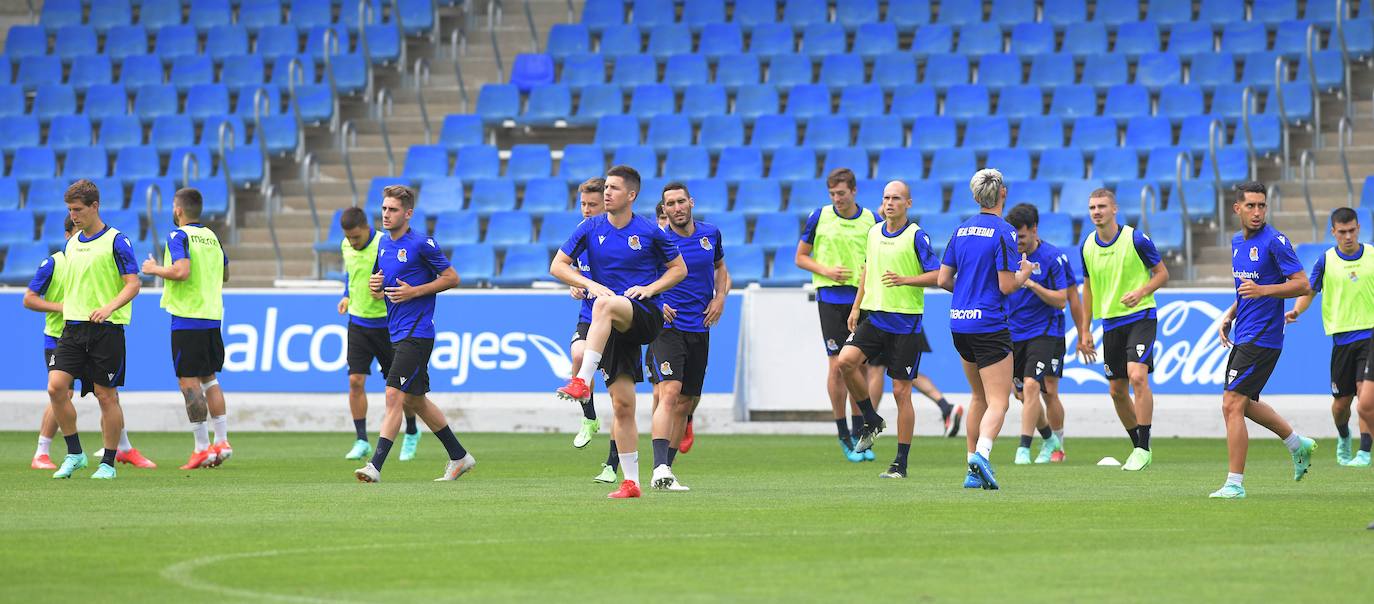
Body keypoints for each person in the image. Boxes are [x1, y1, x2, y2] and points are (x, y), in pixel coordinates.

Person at [551, 165, 687, 499]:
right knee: (623, 405)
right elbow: (557, 265)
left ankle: (582, 380)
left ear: (631, 195)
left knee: (604, 305)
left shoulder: (650, 231)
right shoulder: (590, 227)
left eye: (613, 188)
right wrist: (588, 283)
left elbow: (679, 269)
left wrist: (651, 288)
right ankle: (631, 482)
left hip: (644, 314)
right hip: (610, 325)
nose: (606, 193)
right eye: (606, 187)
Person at [353, 185, 476, 483]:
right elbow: (379, 282)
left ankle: (375, 466)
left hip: (417, 333)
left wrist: (415, 291)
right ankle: (459, 456)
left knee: (393, 394)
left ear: (408, 214)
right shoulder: (383, 244)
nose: (386, 214)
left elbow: (452, 277)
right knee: (415, 401)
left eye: (393, 209)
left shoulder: (422, 244)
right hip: (395, 332)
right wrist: (375, 286)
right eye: (384, 208)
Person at [1210, 182, 1316, 499]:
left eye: (1262, 206)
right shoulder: (1236, 242)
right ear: (1237, 208)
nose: (1257, 212)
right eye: (1251, 206)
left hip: (1264, 336)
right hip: (1245, 331)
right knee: (1243, 404)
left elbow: (1303, 284)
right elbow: (1246, 289)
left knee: (1231, 403)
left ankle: (1235, 484)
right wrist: (1231, 315)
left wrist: (1264, 291)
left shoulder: (1275, 242)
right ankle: (1297, 443)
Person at [834, 181, 940, 479]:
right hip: (875, 318)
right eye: (886, 198)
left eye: (896, 198)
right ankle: (871, 418)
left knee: (900, 392)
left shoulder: (916, 235)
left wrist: (906, 280)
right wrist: (856, 307)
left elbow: (937, 275)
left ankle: (900, 463)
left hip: (905, 323)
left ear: (908, 203)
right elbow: (867, 269)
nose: (890, 203)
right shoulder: (873, 232)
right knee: (845, 361)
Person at [938, 169, 1033, 490]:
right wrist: (1024, 274)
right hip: (989, 324)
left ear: (975, 196)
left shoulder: (961, 230)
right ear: (1002, 193)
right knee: (999, 401)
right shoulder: (1004, 232)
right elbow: (1006, 285)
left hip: (959, 322)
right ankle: (982, 454)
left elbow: (942, 279)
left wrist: (968, 292)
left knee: (977, 396)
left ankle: (970, 469)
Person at [48, 179, 145, 479]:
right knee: (56, 387)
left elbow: (133, 284)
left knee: (106, 396)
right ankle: (75, 453)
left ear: (95, 206)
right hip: (73, 328)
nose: (73, 215)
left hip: (106, 329)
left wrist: (108, 307)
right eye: (70, 210)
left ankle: (108, 464)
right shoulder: (71, 243)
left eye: (78, 209)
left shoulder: (117, 241)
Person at [794, 168, 886, 463]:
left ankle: (861, 433)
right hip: (831, 299)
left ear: (854, 191)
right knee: (836, 366)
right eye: (833, 194)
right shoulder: (819, 216)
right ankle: (843, 432)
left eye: (842, 193)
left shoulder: (871, 220)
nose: (837, 199)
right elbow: (800, 257)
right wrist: (826, 270)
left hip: (863, 300)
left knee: (859, 367)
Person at [141, 188, 234, 470]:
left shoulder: (178, 236)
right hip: (212, 316)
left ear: (178, 209)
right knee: (210, 379)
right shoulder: (212, 237)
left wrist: (154, 269)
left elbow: (181, 271)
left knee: (188, 382)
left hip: (188, 317)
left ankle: (202, 448)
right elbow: (226, 274)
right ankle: (222, 442)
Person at [645, 182, 730, 491]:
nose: (677, 208)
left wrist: (719, 297)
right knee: (669, 392)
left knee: (686, 402)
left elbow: (721, 268)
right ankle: (658, 466)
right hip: (667, 327)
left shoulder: (711, 234)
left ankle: (667, 470)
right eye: (670, 204)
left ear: (691, 203)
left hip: (700, 326)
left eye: (681, 201)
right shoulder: (656, 241)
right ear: (664, 210)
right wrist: (657, 303)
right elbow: (640, 279)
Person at [1078, 188, 1169, 471]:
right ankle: (1138, 446)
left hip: (1141, 316)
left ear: (1114, 209)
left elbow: (1162, 274)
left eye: (1102, 206)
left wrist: (1141, 292)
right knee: (1117, 391)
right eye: (1092, 207)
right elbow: (1088, 289)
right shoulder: (1087, 246)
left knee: (1137, 376)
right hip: (1110, 323)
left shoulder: (1136, 239)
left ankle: (1143, 447)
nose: (1096, 212)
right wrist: (1085, 330)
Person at [1285, 207, 1374, 467]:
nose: (1348, 236)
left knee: (1365, 398)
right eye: (1342, 232)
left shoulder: (1372, 255)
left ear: (1358, 228)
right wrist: (1296, 310)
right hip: (1342, 340)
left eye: (1352, 230)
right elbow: (1309, 291)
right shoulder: (1325, 261)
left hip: (1370, 335)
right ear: (1333, 232)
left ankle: (1364, 452)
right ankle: (1344, 436)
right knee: (1341, 405)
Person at [336, 206, 422, 462]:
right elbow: (351, 273)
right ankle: (361, 439)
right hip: (358, 323)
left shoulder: (385, 244)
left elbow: (402, 276)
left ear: (366, 228)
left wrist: (385, 292)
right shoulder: (346, 245)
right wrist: (346, 295)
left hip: (388, 325)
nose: (352, 242)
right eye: (349, 238)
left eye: (356, 237)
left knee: (400, 388)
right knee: (355, 381)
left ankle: (412, 431)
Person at [1004, 203, 1069, 465]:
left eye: (1021, 236)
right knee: (1022, 394)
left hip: (1045, 331)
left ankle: (1027, 448)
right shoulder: (1006, 256)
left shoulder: (1052, 257)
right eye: (1014, 236)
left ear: (1034, 230)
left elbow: (1062, 300)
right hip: (1014, 332)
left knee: (1041, 388)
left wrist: (1030, 283)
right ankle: (1050, 440)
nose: (1017, 241)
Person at [26, 217, 76, 470]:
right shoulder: (53, 264)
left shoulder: (96, 260)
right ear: (67, 236)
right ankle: (41, 453)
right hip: (58, 337)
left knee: (107, 392)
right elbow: (29, 299)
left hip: (90, 335)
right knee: (63, 392)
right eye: (78, 232)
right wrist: (61, 307)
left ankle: (122, 448)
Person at [569, 178, 607, 453]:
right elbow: (571, 267)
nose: (586, 209)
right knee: (578, 355)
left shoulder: (618, 234)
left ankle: (616, 461)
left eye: (592, 204)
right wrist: (574, 283)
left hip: (617, 315)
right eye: (583, 204)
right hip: (589, 314)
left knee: (621, 396)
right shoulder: (581, 231)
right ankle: (589, 417)